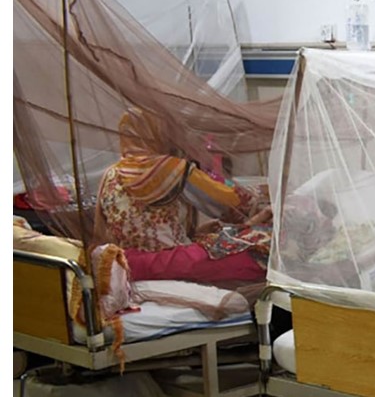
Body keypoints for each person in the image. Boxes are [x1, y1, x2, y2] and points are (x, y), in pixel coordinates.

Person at [95, 109, 271, 284]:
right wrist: (258, 201)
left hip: (129, 261)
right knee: (263, 242)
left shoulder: (110, 174)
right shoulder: (170, 168)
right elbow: (228, 202)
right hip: (172, 260)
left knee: (225, 234)